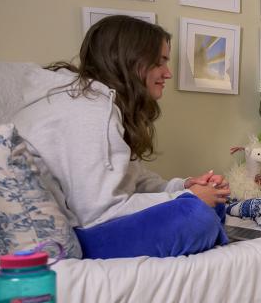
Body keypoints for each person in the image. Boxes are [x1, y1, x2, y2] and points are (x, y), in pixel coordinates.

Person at [13, 15, 230, 256]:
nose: (167, 73)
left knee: (211, 204)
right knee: (197, 216)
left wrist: (184, 185)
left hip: (93, 219)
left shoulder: (95, 102)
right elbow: (100, 212)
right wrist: (187, 197)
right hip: (82, 233)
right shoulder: (88, 112)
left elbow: (128, 180)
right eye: (159, 62)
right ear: (130, 62)